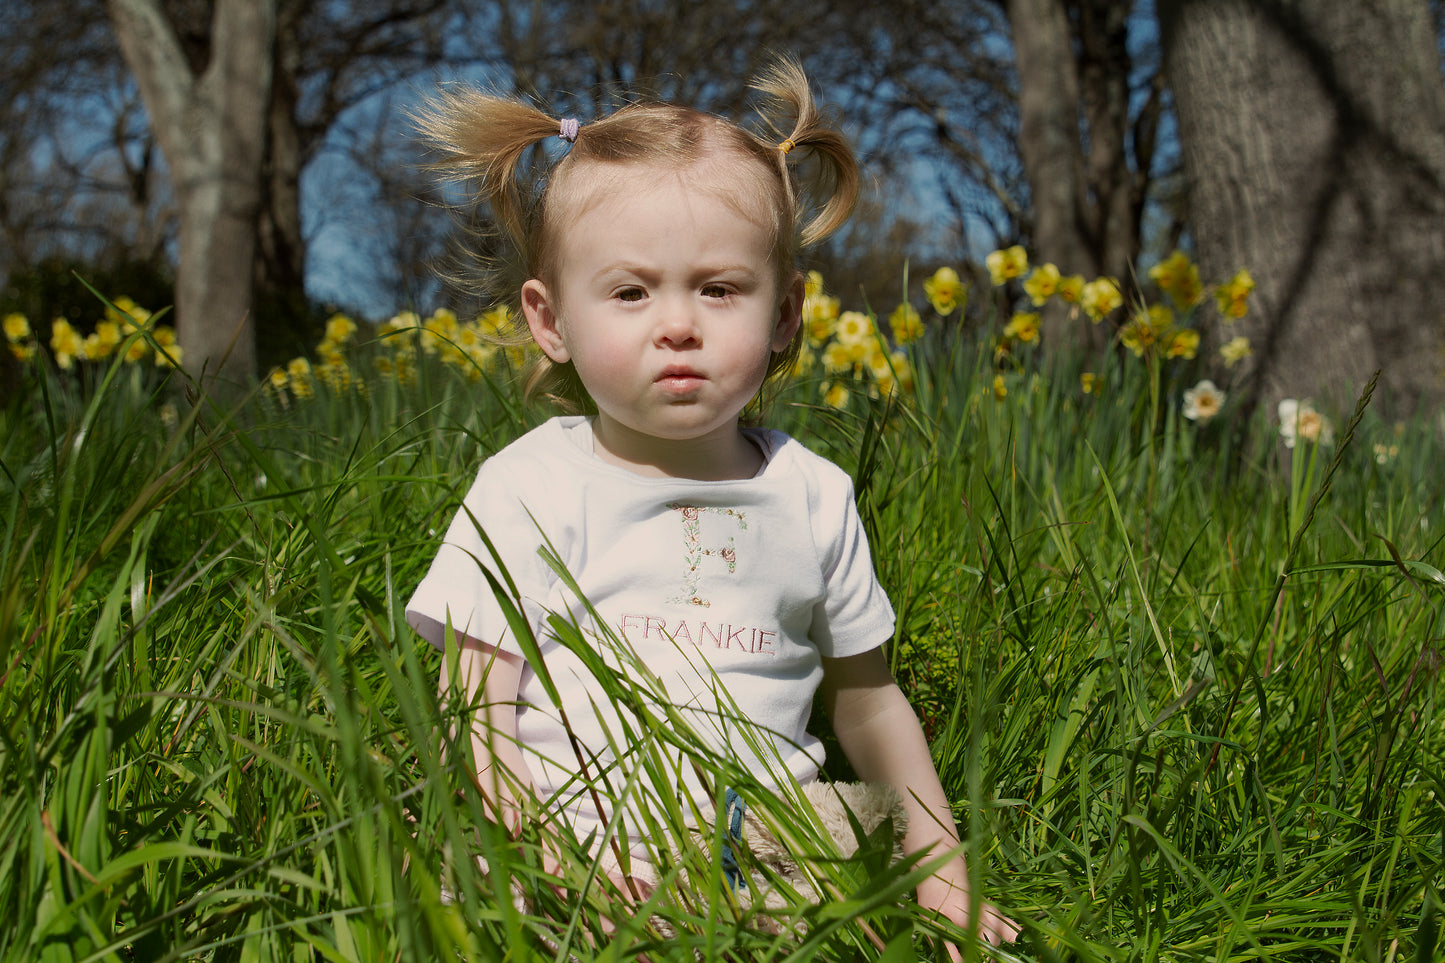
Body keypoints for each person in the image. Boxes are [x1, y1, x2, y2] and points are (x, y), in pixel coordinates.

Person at [404, 56, 1019, 951]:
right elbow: (476, 709)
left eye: (719, 288)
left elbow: (870, 702)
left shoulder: (810, 494)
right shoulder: (529, 485)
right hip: (572, 838)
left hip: (765, 840)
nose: (678, 323)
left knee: (835, 866)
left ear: (784, 316)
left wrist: (944, 875)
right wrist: (533, 849)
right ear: (550, 321)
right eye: (629, 291)